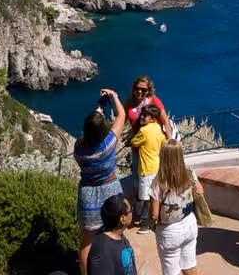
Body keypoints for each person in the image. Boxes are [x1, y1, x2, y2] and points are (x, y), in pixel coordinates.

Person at [76, 88, 126, 275]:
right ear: (103, 129)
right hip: (110, 191)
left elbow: (93, 128)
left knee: (86, 241)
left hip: (88, 194)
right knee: (115, 235)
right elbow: (122, 116)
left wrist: (99, 107)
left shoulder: (79, 148)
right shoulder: (107, 145)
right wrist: (114, 97)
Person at [152, 139, 205, 275]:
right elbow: (200, 191)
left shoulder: (158, 183)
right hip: (189, 224)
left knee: (172, 271)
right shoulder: (189, 174)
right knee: (189, 265)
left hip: (169, 231)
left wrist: (153, 226)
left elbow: (153, 214)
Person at [130, 103, 167, 233]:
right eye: (142, 114)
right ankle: (157, 218)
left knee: (145, 197)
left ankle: (145, 224)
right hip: (156, 166)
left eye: (145, 115)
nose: (142, 117)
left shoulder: (144, 131)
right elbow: (164, 141)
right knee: (156, 195)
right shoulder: (158, 128)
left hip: (145, 168)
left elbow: (133, 142)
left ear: (152, 118)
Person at [86, 193, 137, 275]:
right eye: (131, 210)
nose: (132, 213)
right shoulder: (102, 249)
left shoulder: (120, 236)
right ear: (123, 219)